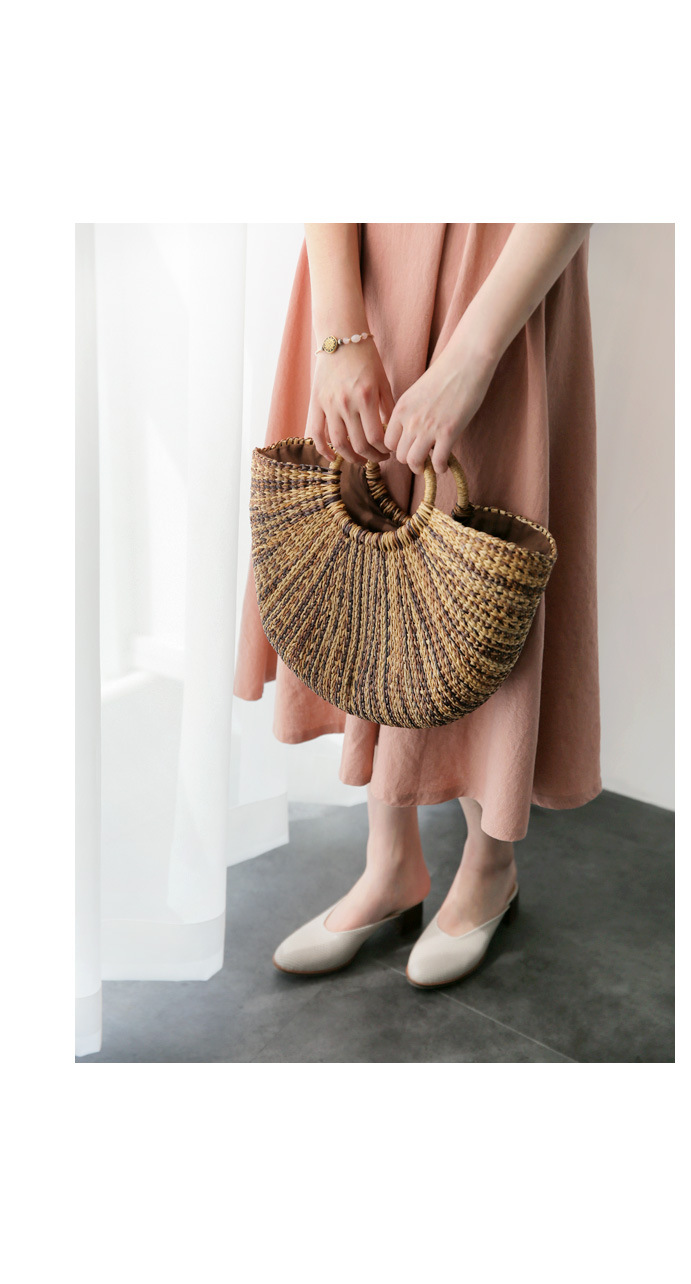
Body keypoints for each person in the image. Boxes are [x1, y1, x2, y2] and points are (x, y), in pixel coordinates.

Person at [234, 223, 601, 986]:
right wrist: (341, 333)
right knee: (360, 553)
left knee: (476, 558)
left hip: (500, 273)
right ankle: (390, 863)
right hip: (364, 263)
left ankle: (489, 867)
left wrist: (472, 357)